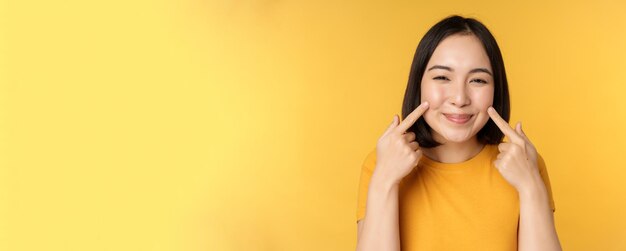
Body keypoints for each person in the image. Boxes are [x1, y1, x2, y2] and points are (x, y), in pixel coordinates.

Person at [355, 15, 562, 251]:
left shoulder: (525, 163)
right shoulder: (381, 163)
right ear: (418, 83)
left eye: (478, 80)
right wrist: (384, 179)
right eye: (442, 77)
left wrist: (530, 186)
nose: (460, 99)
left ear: (497, 89)